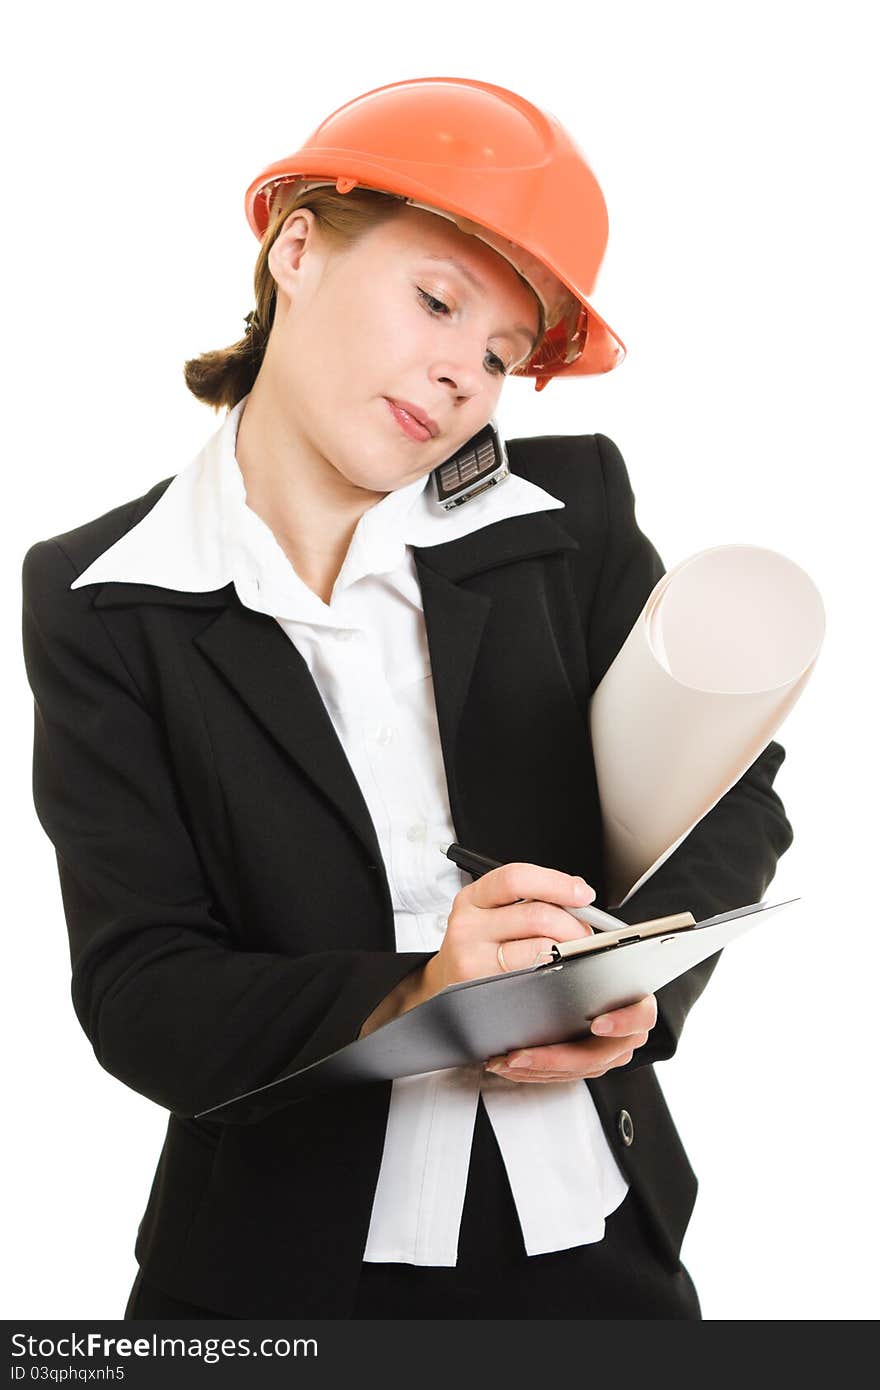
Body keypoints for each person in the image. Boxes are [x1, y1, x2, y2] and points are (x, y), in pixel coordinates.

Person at [20, 77, 793, 1320]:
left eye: (498, 354)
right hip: (271, 1273)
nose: (458, 379)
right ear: (297, 246)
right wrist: (419, 994)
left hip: (596, 1242)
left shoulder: (566, 517)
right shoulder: (103, 594)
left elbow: (729, 790)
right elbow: (141, 990)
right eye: (435, 300)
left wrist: (641, 987)